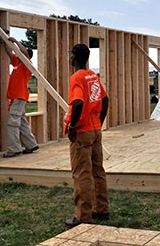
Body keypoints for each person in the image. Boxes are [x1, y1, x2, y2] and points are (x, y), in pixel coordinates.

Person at [64, 43, 110, 227]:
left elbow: (77, 104)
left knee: (81, 173)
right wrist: (100, 121)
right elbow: (105, 100)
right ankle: (101, 209)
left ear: (74, 57)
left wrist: (73, 126)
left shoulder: (77, 77)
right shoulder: (93, 76)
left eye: (70, 55)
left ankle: (83, 216)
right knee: (97, 170)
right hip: (95, 129)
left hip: (82, 132)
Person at [0, 36, 39, 158]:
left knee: (12, 123)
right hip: (17, 97)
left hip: (19, 96)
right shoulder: (17, 63)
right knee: (22, 122)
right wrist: (5, 42)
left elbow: (24, 53)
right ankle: (31, 144)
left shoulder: (27, 65)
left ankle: (14, 149)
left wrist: (16, 41)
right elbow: (10, 53)